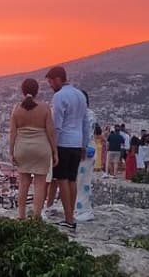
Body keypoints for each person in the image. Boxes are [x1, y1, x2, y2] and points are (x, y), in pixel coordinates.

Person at [46, 67, 90, 230]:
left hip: (63, 142)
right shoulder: (80, 95)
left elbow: (57, 125)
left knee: (61, 179)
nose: (50, 85)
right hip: (77, 143)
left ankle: (69, 219)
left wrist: (53, 147)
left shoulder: (59, 96)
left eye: (50, 81)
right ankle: (71, 215)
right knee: (72, 179)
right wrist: (84, 144)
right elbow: (85, 122)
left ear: (58, 79)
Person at [9, 77, 58, 220]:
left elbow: (13, 133)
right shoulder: (45, 108)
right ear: (37, 91)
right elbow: (51, 132)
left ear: (22, 91)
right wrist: (55, 152)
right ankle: (36, 216)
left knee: (23, 183)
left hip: (22, 148)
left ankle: (21, 215)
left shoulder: (16, 109)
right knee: (40, 184)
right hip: (41, 148)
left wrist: (11, 152)